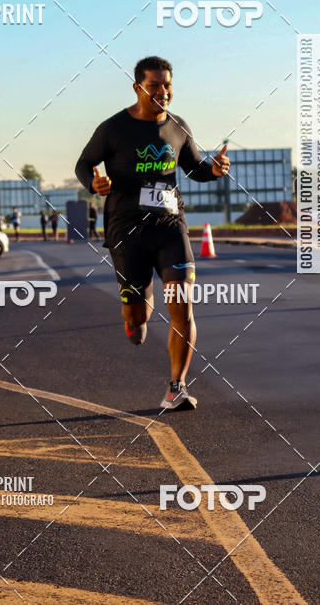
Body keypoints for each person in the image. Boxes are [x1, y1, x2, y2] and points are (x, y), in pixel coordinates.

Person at [75, 55, 230, 411]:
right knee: (138, 314)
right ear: (138, 87)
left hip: (170, 226)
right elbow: (84, 163)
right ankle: (134, 320)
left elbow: (194, 168)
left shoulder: (178, 126)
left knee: (182, 304)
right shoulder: (113, 128)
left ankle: (176, 387)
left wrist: (216, 170)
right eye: (155, 85)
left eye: (168, 84)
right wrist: (94, 183)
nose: (163, 91)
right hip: (126, 230)